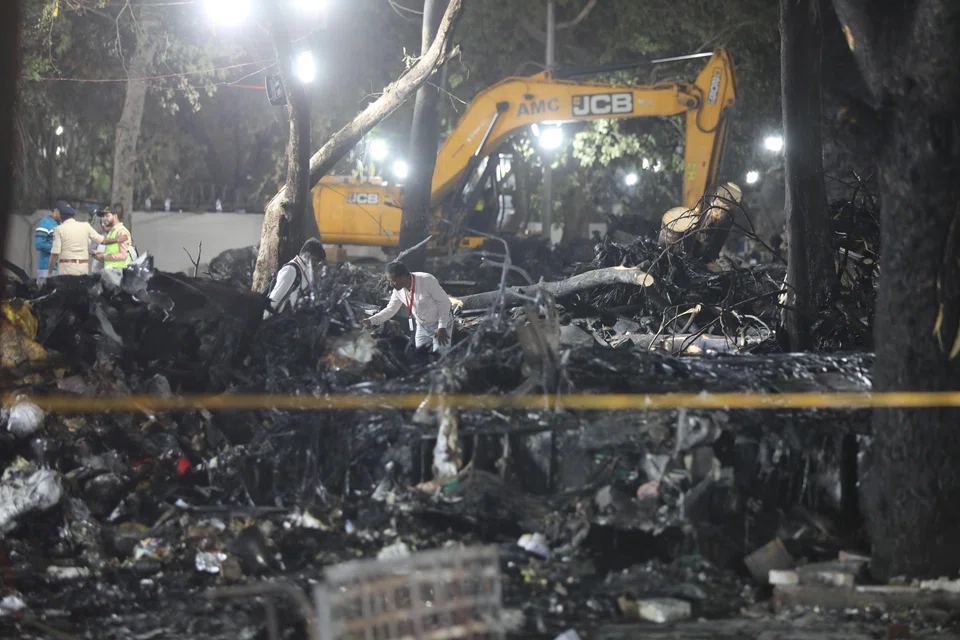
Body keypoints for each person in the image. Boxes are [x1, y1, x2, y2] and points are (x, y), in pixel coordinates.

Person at [361, 261, 454, 353]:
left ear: (403, 277)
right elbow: (390, 310)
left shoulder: (426, 280)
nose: (391, 285)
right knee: (419, 357)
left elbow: (444, 302)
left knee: (440, 356)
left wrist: (442, 326)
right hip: (422, 326)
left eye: (393, 281)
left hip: (440, 325)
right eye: (389, 281)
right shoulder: (398, 291)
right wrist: (370, 321)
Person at [263, 238, 327, 319]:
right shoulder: (291, 270)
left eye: (318, 262)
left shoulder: (303, 271)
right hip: (278, 323)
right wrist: (264, 324)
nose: (316, 264)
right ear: (305, 255)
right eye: (314, 260)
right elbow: (274, 299)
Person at [49, 203, 105, 276]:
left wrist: (50, 272)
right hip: (84, 266)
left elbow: (55, 254)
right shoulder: (86, 225)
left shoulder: (60, 228)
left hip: (72, 267)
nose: (102, 223)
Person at [34, 202, 64, 278]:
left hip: (60, 268)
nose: (64, 216)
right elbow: (39, 245)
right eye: (63, 213)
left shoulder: (61, 224)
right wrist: (57, 247)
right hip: (46, 267)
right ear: (56, 211)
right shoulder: (44, 223)